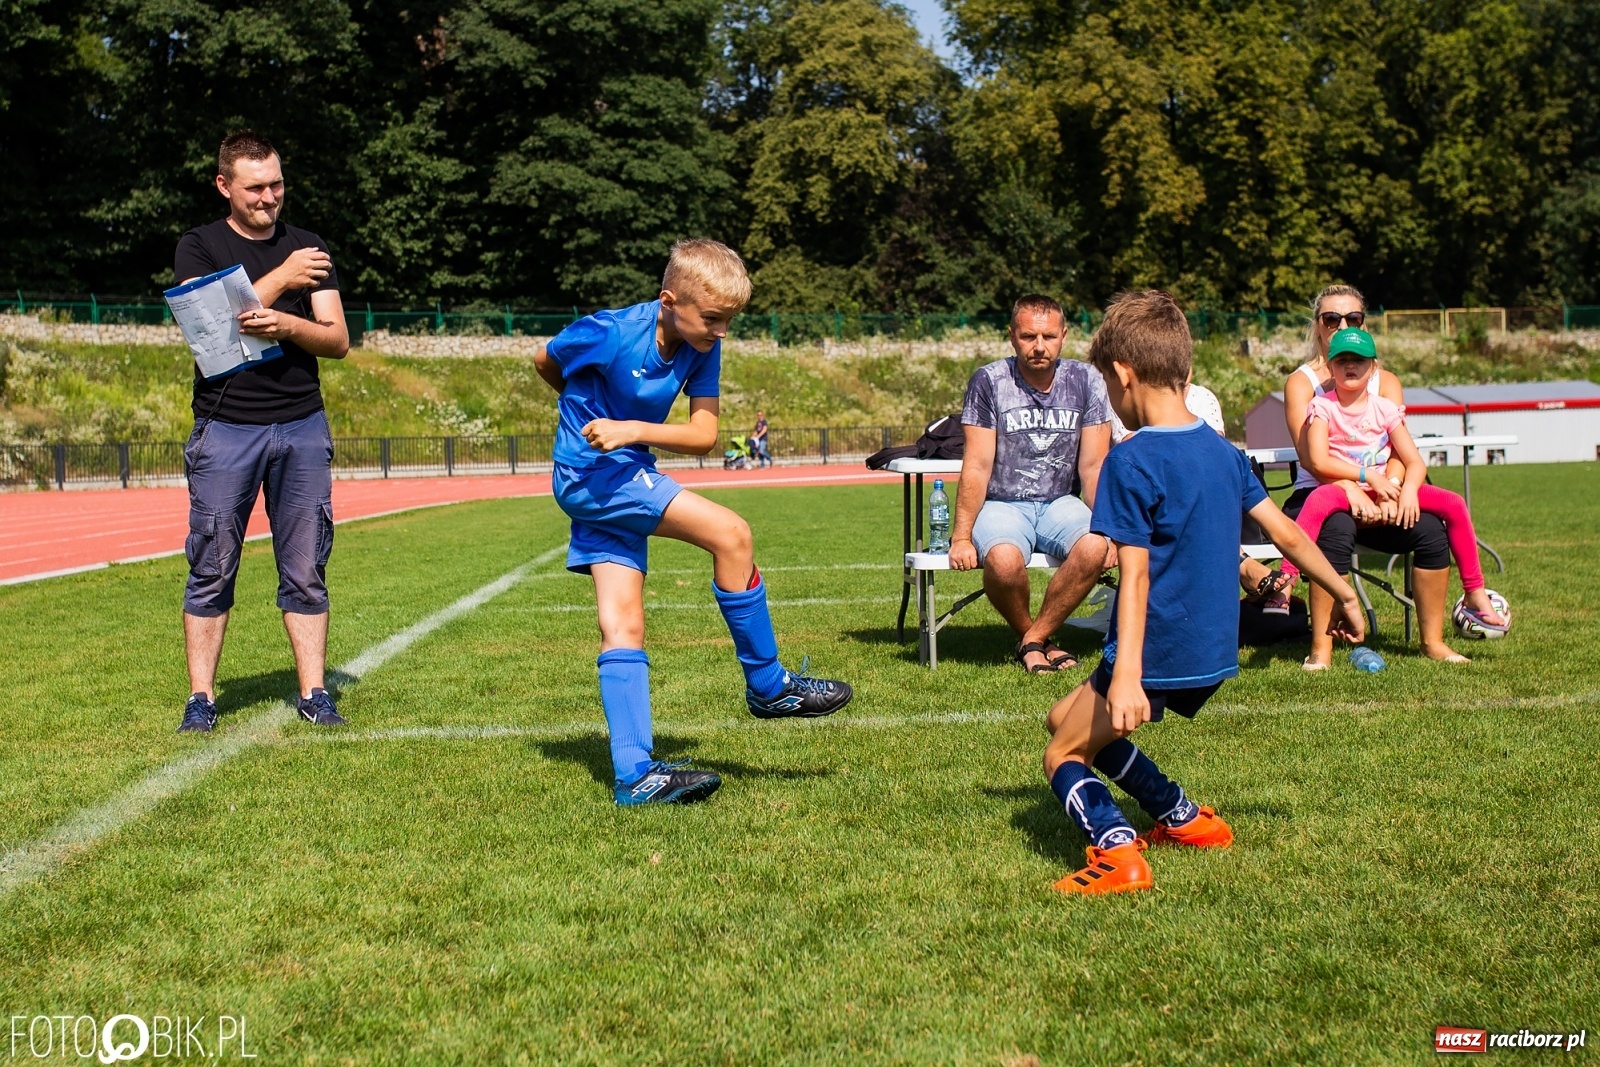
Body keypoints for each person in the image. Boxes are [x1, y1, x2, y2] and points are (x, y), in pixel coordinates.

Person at [1040, 290, 1364, 895]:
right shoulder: (1224, 452)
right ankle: (1181, 818)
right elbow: (1287, 533)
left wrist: (1129, 674)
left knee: (1061, 754)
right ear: (1185, 372)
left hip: (1154, 649)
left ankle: (1117, 853)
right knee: (1066, 718)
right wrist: (1343, 593)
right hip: (1211, 651)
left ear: (1122, 375)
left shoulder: (1130, 463)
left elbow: (1133, 576)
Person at [532, 239, 852, 806]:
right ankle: (769, 686)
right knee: (733, 535)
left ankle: (635, 776)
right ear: (668, 299)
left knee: (622, 623)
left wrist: (630, 429)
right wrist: (584, 414)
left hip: (626, 465)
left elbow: (704, 436)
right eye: (711, 318)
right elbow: (545, 360)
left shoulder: (704, 343)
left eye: (729, 320)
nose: (721, 330)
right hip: (591, 475)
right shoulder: (607, 332)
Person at [174, 129, 350, 733]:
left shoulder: (309, 246)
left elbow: (337, 339)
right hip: (226, 427)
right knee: (212, 562)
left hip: (302, 423)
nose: (269, 196)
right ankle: (202, 698)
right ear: (225, 186)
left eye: (276, 183)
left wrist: (285, 326)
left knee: (306, 564)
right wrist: (281, 279)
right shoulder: (199, 247)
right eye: (255, 187)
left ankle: (315, 693)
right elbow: (211, 336)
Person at [1273, 327, 1507, 636]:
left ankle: (1475, 591)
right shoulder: (1323, 407)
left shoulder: (1384, 408)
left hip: (1387, 491)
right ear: (1330, 368)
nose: (1350, 366)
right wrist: (1366, 476)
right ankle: (1285, 584)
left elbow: (1413, 461)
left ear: (1373, 368)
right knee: (1315, 502)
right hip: (1344, 490)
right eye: (1342, 360)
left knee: (1454, 503)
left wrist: (1407, 491)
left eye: (1359, 360)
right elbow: (1318, 461)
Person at [1283, 285, 1467, 668]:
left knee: (1431, 529)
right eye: (1332, 318)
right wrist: (1355, 488)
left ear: (1365, 324)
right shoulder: (1303, 383)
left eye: (1352, 318)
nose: (1341, 325)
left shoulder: (1386, 381)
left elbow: (1401, 453)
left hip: (1382, 489)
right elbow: (1313, 459)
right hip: (1320, 494)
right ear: (1317, 326)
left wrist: (1392, 490)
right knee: (1335, 531)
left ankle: (1433, 641)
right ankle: (1321, 647)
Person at [949, 294, 1115, 673]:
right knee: (1004, 562)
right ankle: (1038, 638)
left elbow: (1093, 466)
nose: (1039, 346)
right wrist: (961, 537)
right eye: (1028, 337)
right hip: (1003, 503)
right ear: (1012, 337)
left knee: (1093, 547)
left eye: (1048, 337)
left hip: (1060, 501)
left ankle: (1033, 640)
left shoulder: (1087, 380)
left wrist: (1111, 530)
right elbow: (976, 464)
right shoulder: (989, 381)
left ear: (1063, 336)